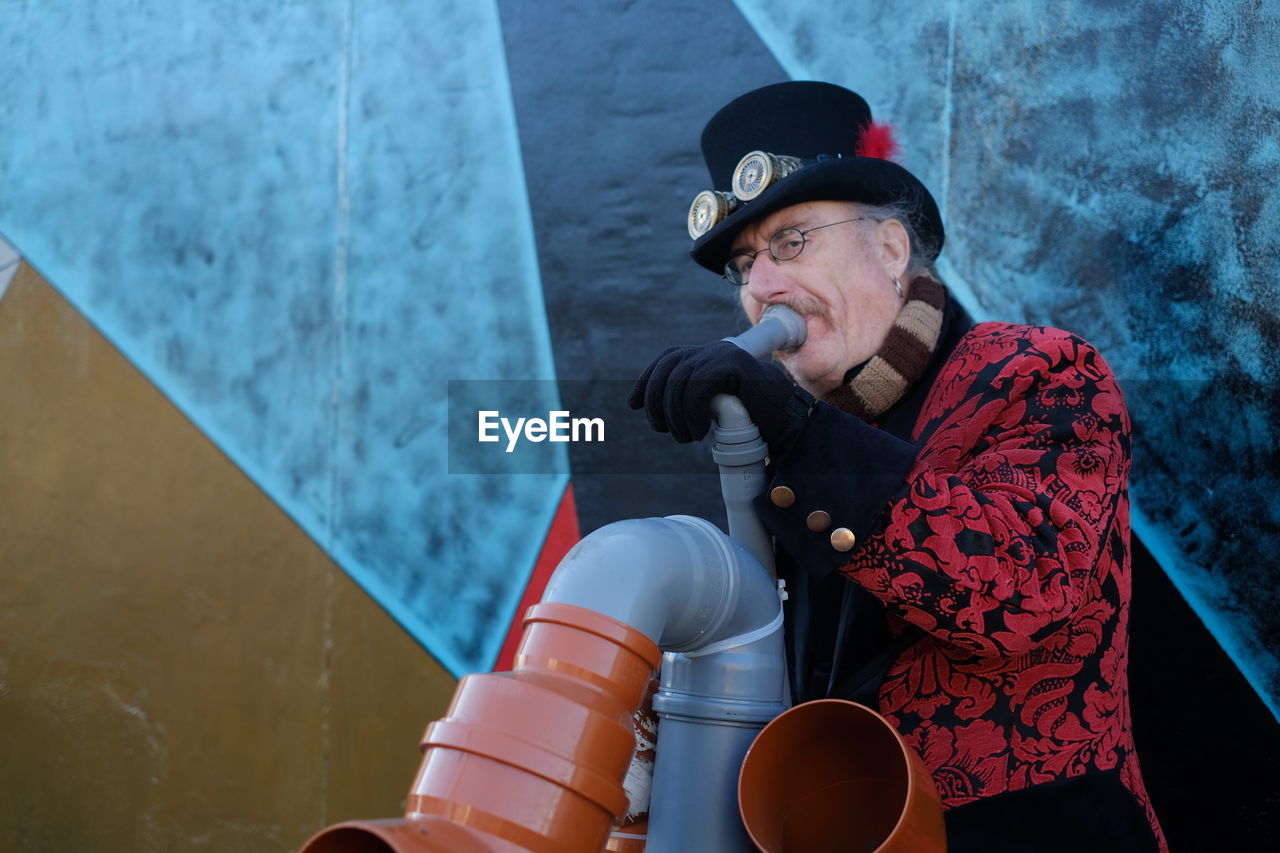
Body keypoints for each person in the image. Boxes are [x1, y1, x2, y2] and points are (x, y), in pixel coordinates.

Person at [628, 81, 1166, 852]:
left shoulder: (1040, 371)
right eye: (744, 264)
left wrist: (798, 430)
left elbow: (1021, 592)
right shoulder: (793, 437)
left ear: (889, 248)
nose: (761, 286)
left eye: (791, 242)